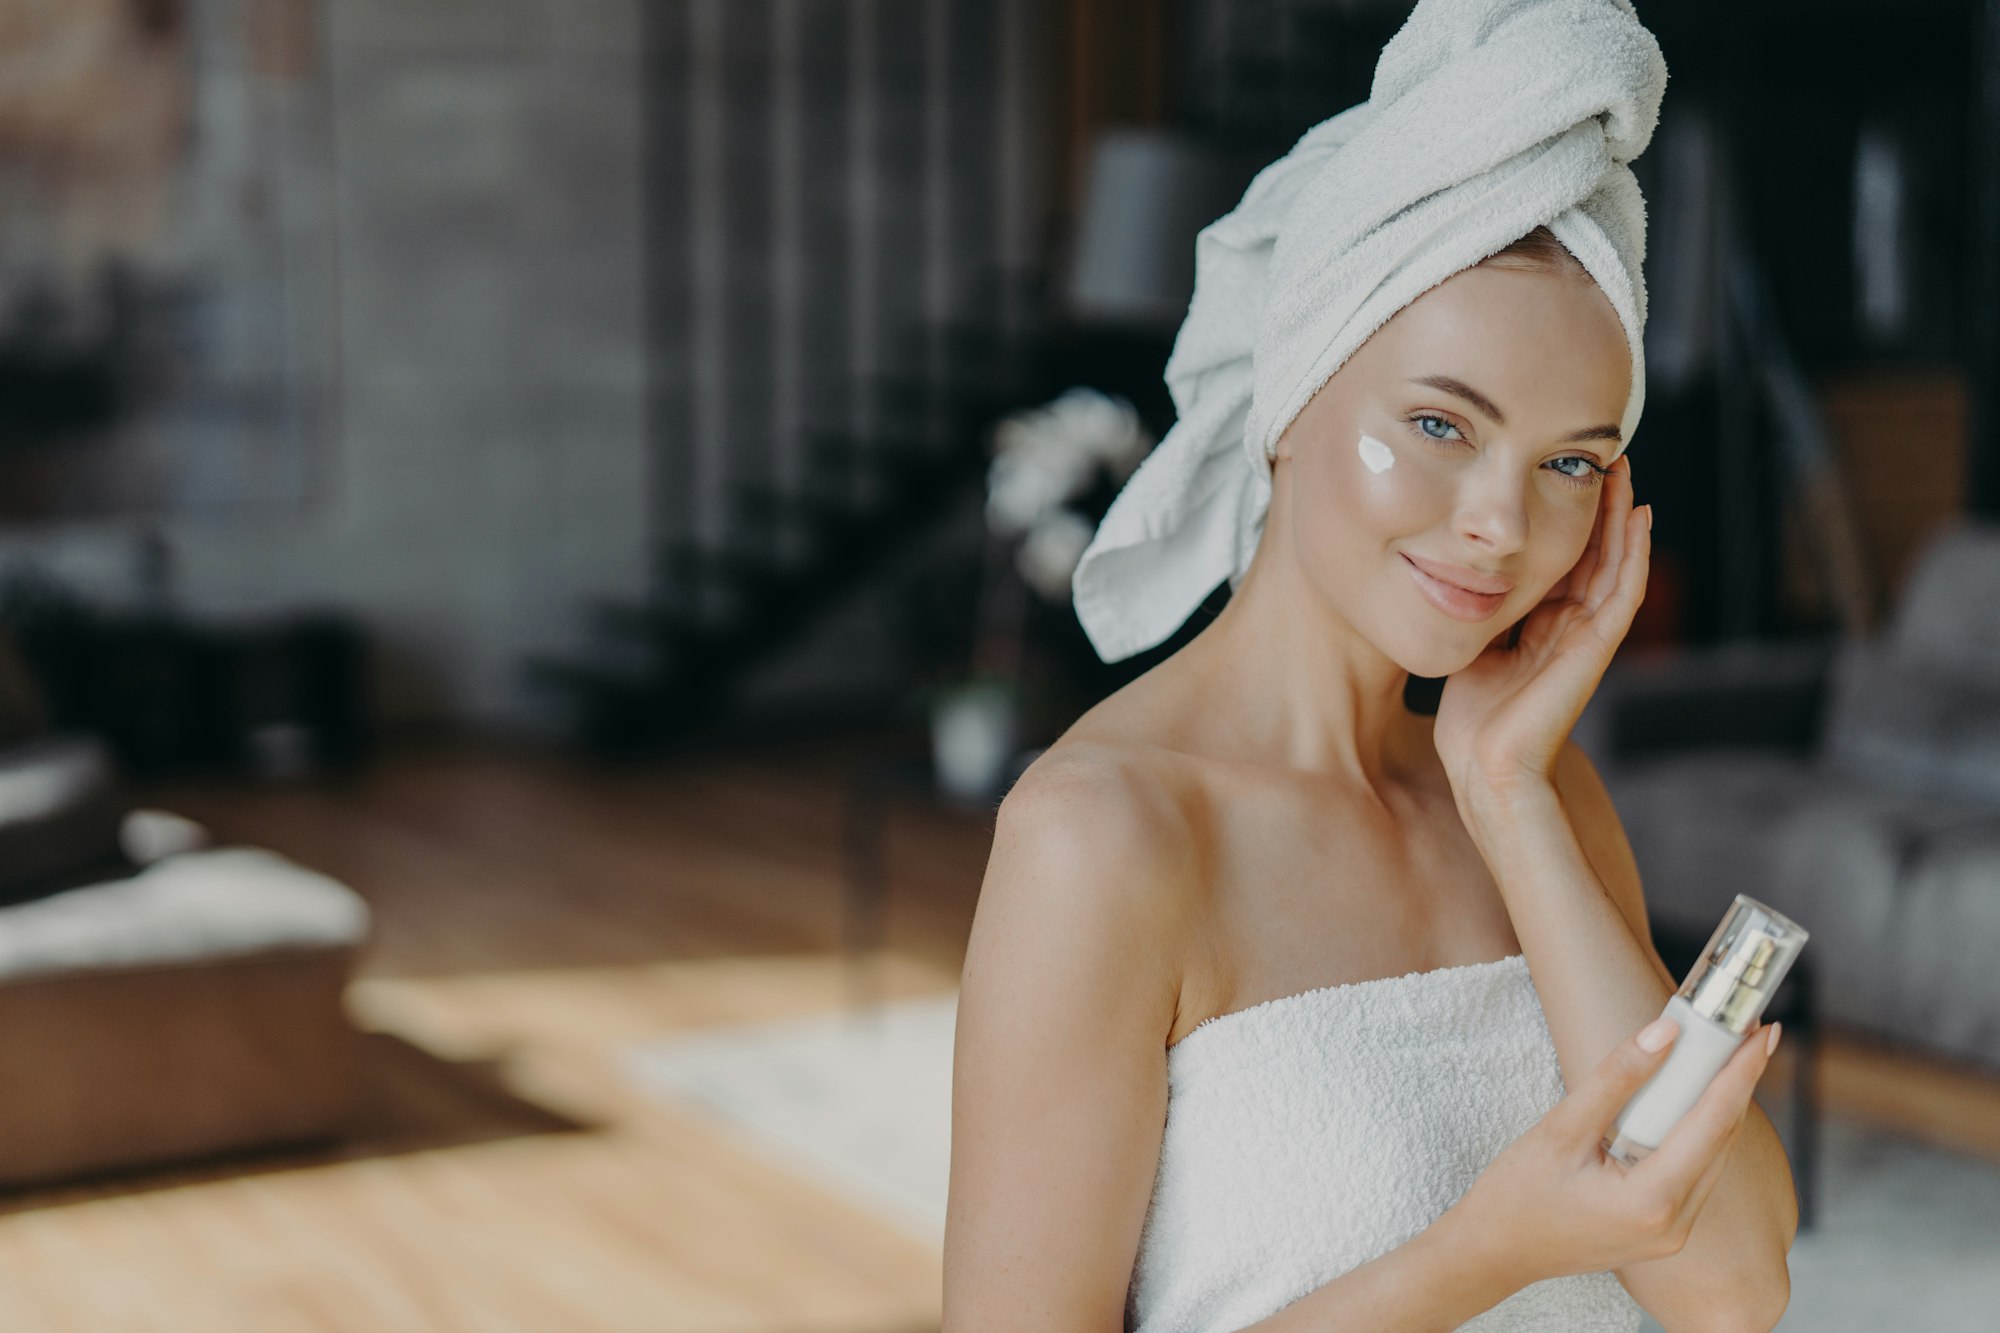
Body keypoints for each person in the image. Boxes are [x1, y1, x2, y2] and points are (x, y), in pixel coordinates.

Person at [942, 3, 1799, 1329]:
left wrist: (1509, 796)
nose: (1501, 525)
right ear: (1290, 401)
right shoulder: (1106, 835)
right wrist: (1482, 1251)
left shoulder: (1539, 792)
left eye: (1571, 459)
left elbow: (1733, 1292)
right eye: (1442, 423)